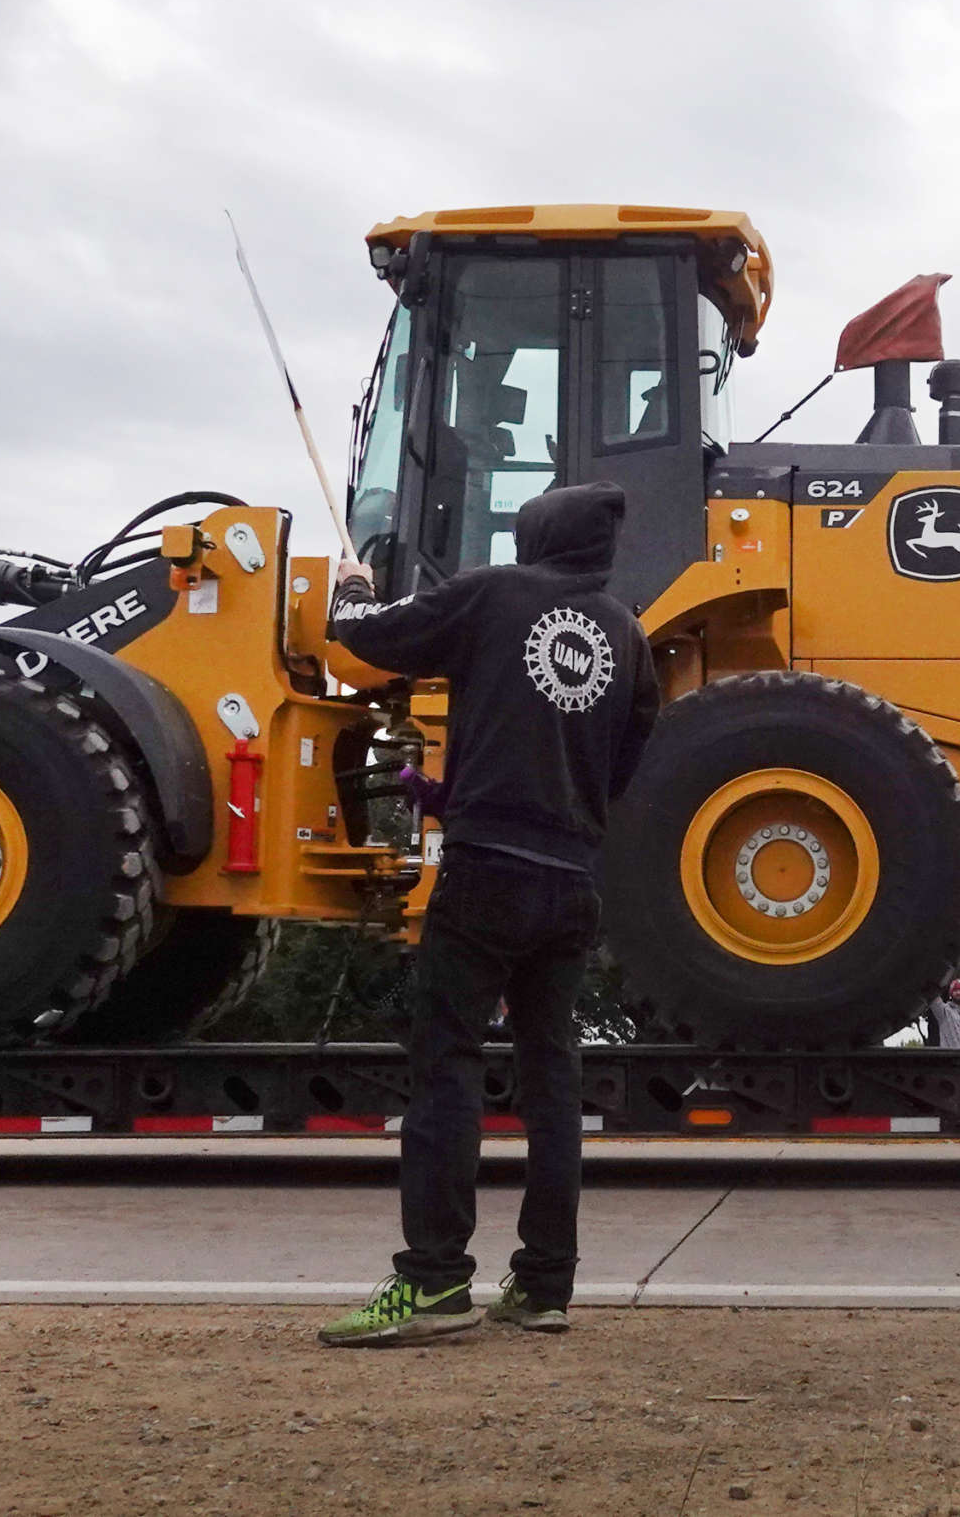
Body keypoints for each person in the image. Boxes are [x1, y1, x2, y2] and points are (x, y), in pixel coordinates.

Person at [316, 482, 659, 1346]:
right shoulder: (626, 634)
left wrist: (351, 589)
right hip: (573, 876)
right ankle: (545, 1284)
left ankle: (433, 1279)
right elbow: (624, 761)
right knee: (552, 1078)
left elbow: (366, 638)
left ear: (538, 535)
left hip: (486, 871)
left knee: (447, 1062)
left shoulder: (495, 592)